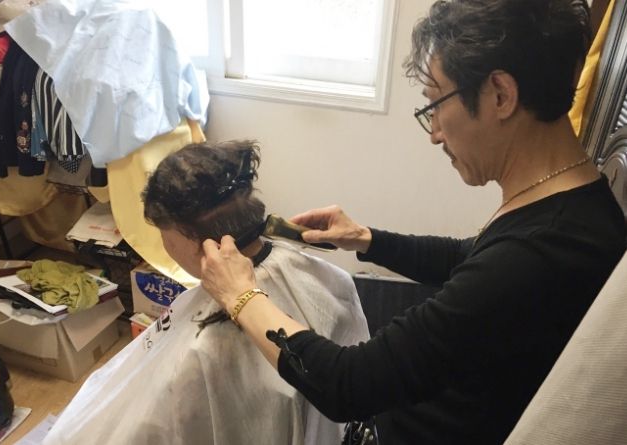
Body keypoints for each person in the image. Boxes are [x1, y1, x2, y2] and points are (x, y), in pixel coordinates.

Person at [197, 1, 627, 444]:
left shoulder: (540, 255)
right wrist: (366, 239)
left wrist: (241, 295)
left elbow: (349, 383)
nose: (435, 132)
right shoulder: (568, 201)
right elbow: (471, 257)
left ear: (500, 95)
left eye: (435, 104)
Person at [42, 141, 370, 445]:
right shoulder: (329, 277)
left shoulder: (203, 351)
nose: (164, 244)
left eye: (164, 234)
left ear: (200, 247)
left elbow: (149, 429)